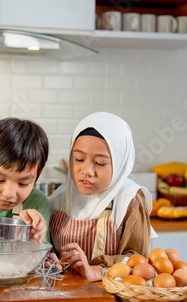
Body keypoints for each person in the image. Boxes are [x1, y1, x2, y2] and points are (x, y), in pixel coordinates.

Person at [48, 112, 155, 282]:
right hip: (65, 292)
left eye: (100, 163)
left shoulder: (130, 199)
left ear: (120, 163)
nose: (87, 171)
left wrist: (94, 271)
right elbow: (47, 246)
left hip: (110, 295)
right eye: (79, 159)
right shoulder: (61, 197)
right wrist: (49, 257)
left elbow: (138, 261)